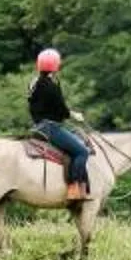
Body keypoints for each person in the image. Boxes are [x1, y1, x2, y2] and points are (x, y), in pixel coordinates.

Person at [29, 49, 92, 204]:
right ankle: (74, 187)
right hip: (51, 127)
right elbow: (61, 110)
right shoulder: (52, 86)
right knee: (82, 151)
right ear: (56, 66)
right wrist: (74, 115)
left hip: (38, 125)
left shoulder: (34, 83)